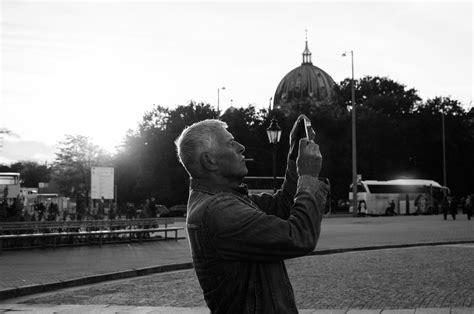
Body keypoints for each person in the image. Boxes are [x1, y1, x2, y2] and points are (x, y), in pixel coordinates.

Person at [175, 116, 328, 313]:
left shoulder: (223, 200)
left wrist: (293, 156)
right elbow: (300, 236)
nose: (241, 147)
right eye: (231, 143)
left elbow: (283, 206)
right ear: (209, 161)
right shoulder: (219, 210)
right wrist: (308, 177)